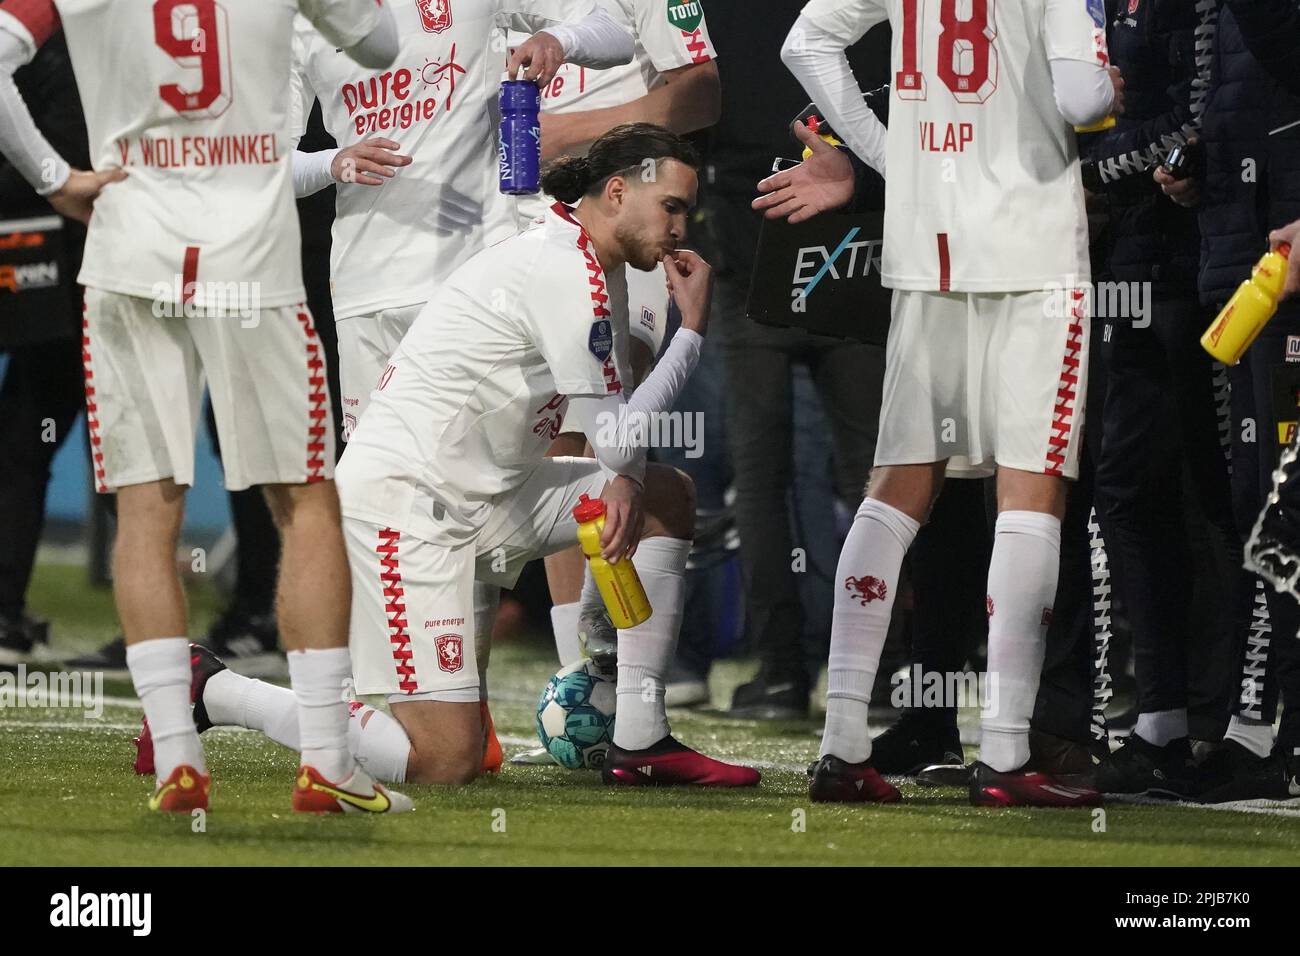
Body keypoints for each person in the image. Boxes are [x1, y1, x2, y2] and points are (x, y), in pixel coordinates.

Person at [166, 124, 762, 789]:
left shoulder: (592, 261)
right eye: (672, 207)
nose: (682, 226)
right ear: (617, 193)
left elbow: (617, 436)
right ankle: (214, 688)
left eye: (688, 210)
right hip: (407, 508)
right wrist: (693, 331)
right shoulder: (566, 270)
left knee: (664, 494)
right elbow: (618, 438)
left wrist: (623, 481)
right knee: (444, 761)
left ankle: (639, 734)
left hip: (491, 495)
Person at [0, 0, 412, 814]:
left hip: (129, 249)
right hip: (250, 258)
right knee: (304, 503)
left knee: (146, 509)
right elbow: (379, 43)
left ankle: (177, 760)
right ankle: (328, 757)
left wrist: (56, 179)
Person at [757, 0, 1120, 806]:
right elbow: (1086, 98)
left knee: (897, 488)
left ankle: (843, 741)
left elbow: (806, 43)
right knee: (1031, 489)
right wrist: (1106, 86)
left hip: (929, 245)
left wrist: (894, 157)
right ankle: (1004, 752)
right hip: (1029, 252)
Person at [288, 0, 634, 440]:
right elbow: (264, 165)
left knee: (497, 482)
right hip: (367, 294)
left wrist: (558, 39)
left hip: (479, 280)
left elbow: (614, 32)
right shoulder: (301, 18)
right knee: (374, 495)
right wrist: (331, 163)